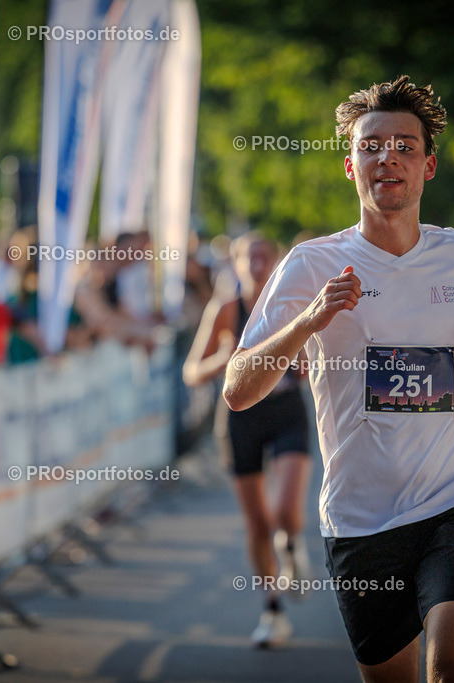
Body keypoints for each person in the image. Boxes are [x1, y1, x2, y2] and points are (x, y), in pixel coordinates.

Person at [223, 76, 454, 683]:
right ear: (349, 165)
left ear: (428, 166)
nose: (388, 157)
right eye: (371, 146)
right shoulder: (312, 263)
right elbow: (237, 389)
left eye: (405, 147)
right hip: (361, 519)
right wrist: (308, 322)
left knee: (453, 669)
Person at [184, 231, 313, 648]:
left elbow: (318, 360)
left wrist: (308, 362)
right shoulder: (226, 309)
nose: (257, 266)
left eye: (264, 258)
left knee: (286, 511)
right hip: (240, 419)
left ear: (276, 264)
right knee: (258, 523)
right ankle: (272, 610)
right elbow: (191, 371)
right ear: (236, 265)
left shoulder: (293, 305)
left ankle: (290, 544)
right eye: (249, 258)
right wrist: (223, 361)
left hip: (287, 411)